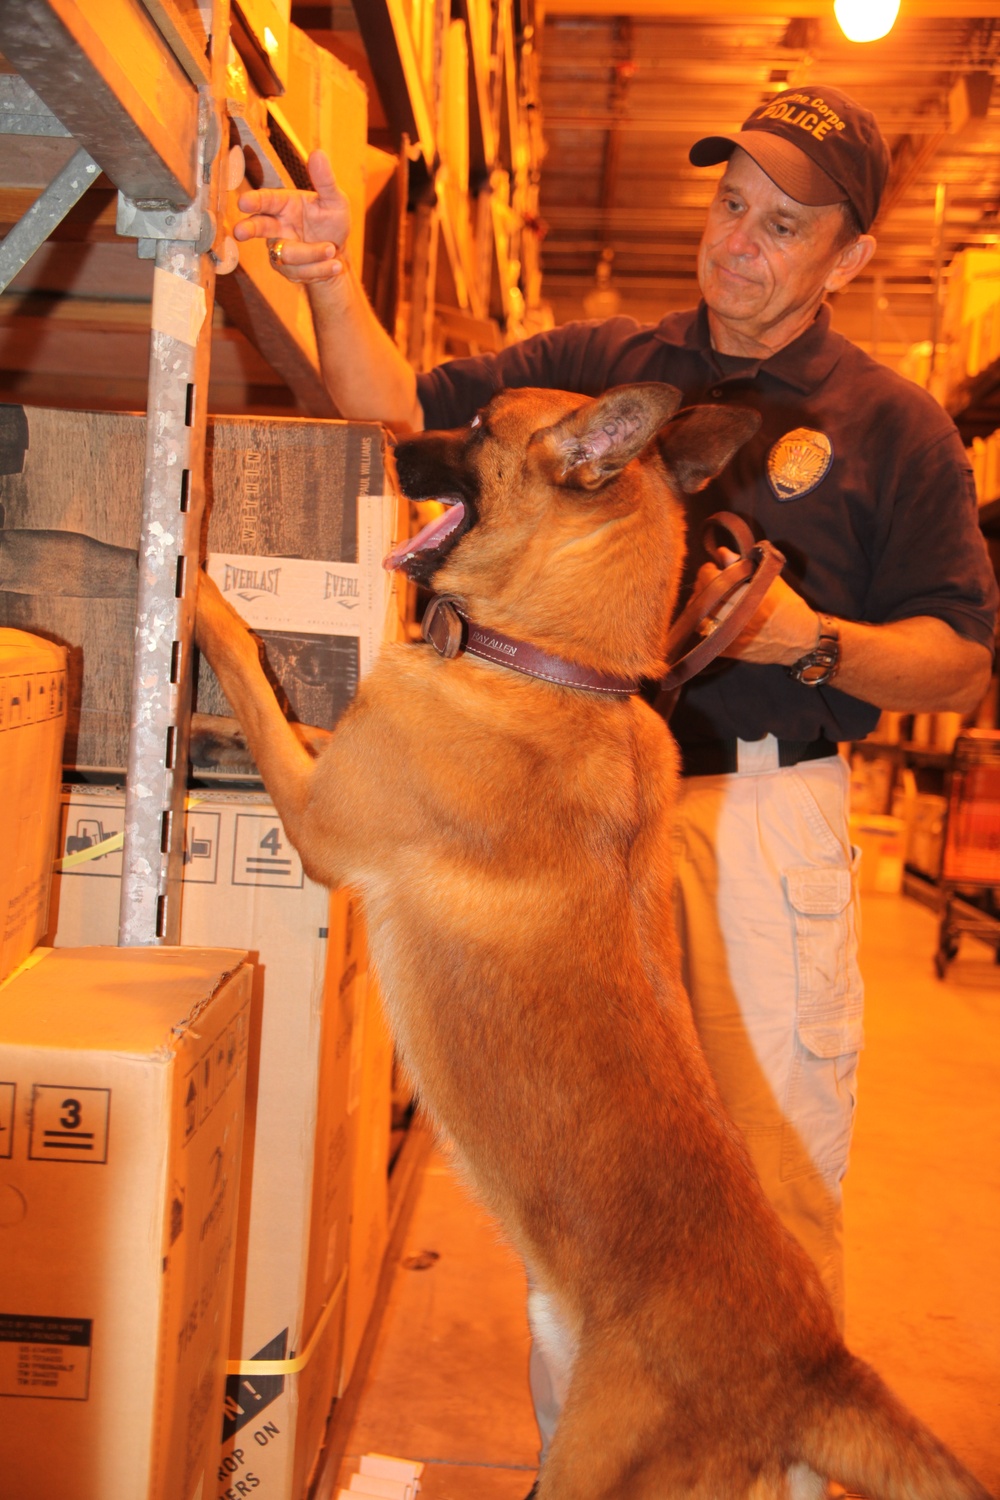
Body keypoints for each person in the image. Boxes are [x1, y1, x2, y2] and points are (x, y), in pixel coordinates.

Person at [234, 82, 998, 1478]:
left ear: (848, 259)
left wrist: (808, 640)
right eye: (729, 208)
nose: (740, 244)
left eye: (783, 226)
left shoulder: (897, 428)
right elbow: (395, 410)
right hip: (571, 814)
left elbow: (960, 666)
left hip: (760, 814)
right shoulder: (611, 363)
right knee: (586, 1203)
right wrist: (332, 274)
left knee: (765, 1207)